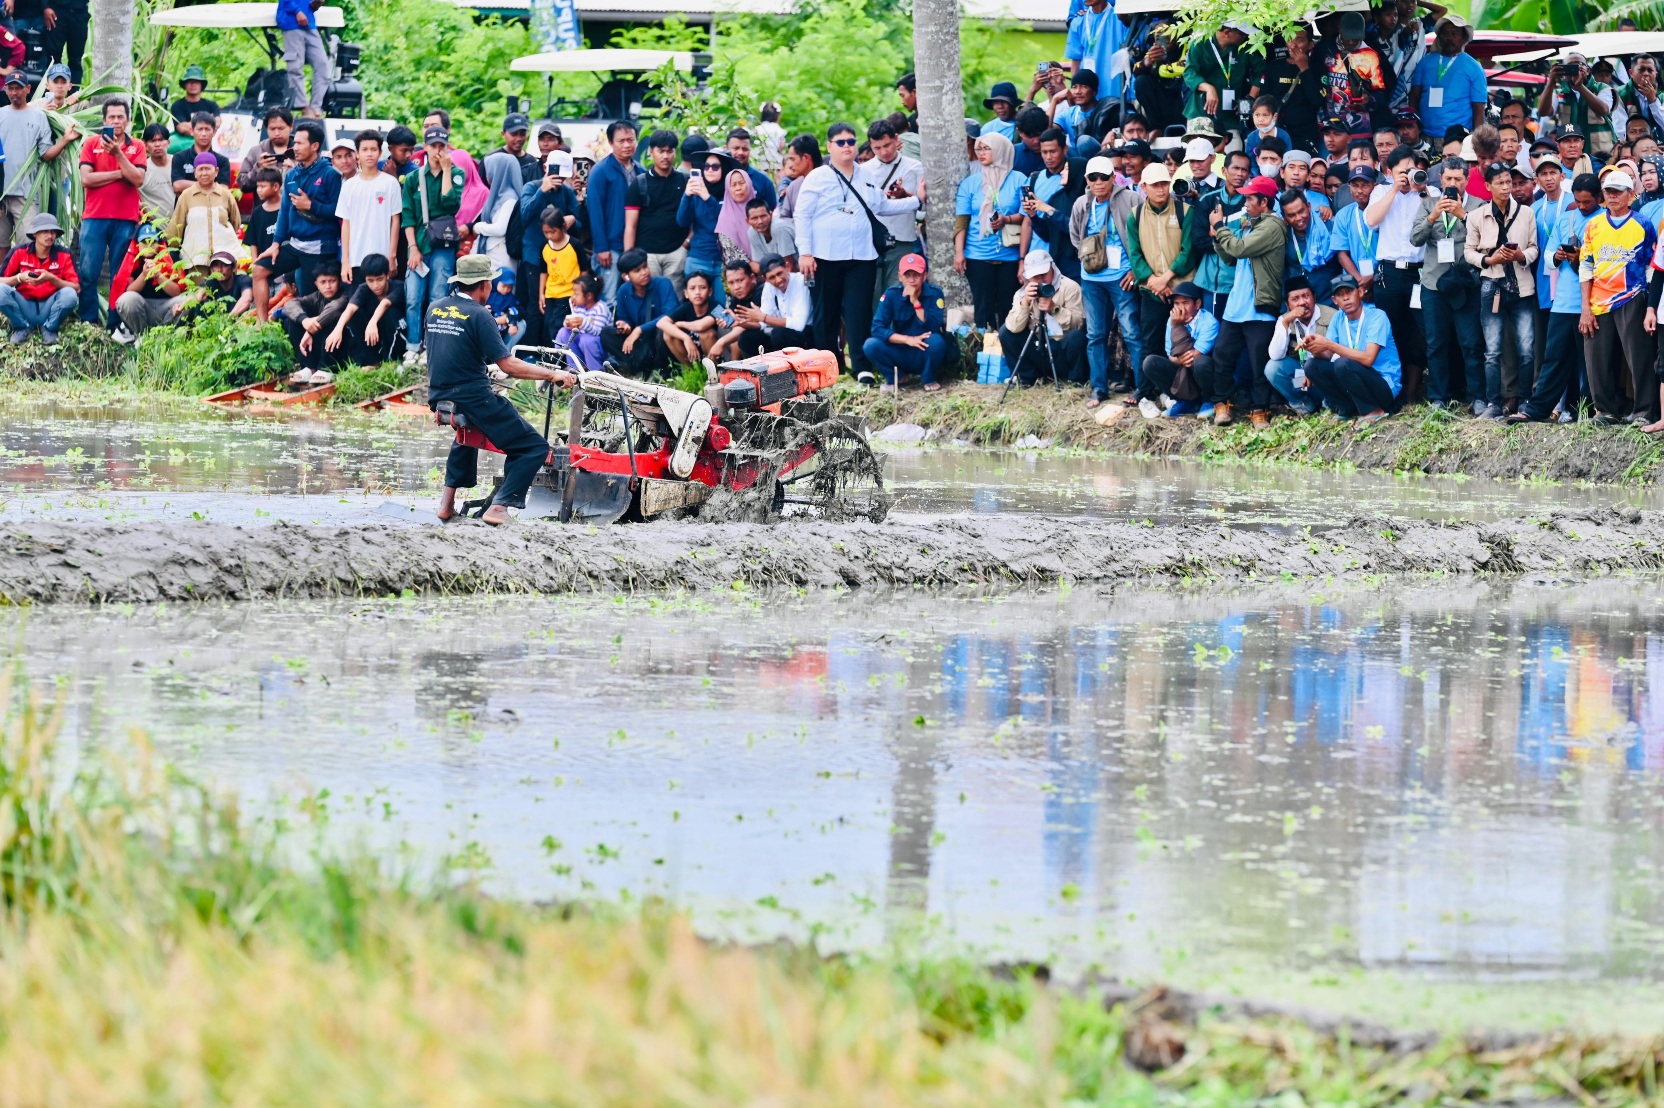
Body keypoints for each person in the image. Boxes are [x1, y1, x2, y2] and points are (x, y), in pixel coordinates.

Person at [429, 252, 574, 526]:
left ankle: (446, 505)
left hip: (439, 396)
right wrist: (553, 373)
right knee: (533, 447)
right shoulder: (480, 315)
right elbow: (509, 365)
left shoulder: (434, 308)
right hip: (473, 397)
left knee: (466, 435)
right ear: (484, 284)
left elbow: (452, 351)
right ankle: (499, 508)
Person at [795, 121, 919, 380]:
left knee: (858, 312)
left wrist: (917, 201)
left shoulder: (866, 175)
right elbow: (802, 215)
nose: (847, 146)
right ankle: (828, 368)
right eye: (840, 142)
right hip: (824, 256)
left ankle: (862, 367)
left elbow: (882, 206)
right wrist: (805, 252)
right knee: (826, 314)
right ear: (829, 146)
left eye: (851, 141)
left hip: (862, 256)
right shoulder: (818, 176)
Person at [1515, 173, 1601, 423]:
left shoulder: (1603, 221)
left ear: (1599, 198)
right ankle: (1537, 409)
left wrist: (1581, 258)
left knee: (1588, 364)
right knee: (1554, 358)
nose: (1582, 206)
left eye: (1587, 202)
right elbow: (1549, 254)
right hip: (1562, 301)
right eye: (1578, 201)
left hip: (1592, 303)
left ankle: (1584, 411)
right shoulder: (1566, 218)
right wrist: (1559, 257)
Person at [1207, 175, 1287, 427]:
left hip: (1259, 307)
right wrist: (1217, 235)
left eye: (1250, 198)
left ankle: (1259, 409)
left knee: (1259, 363)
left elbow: (1239, 249)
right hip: (1236, 306)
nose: (1245, 201)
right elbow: (1231, 257)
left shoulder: (1272, 226)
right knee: (1222, 355)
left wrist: (1220, 227)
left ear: (1264, 202)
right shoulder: (1250, 224)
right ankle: (1222, 404)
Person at [1579, 169, 1657, 424]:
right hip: (1598, 300)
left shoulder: (1643, 224)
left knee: (1639, 356)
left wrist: (1647, 301)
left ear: (1630, 195)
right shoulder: (1593, 225)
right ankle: (1604, 410)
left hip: (1632, 296)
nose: (1611, 196)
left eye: (1617, 191)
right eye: (1608, 191)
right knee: (1596, 357)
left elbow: (1650, 265)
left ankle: (1644, 411)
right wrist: (1585, 308)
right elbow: (1586, 266)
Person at [1465, 160, 1539, 419]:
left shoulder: (1527, 213)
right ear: (1488, 186)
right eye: (1501, 183)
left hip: (1521, 287)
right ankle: (1493, 403)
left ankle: (1526, 401)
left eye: (1509, 182)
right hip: (1492, 286)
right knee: (1493, 350)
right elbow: (1469, 253)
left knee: (1527, 349)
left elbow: (1533, 248)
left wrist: (1520, 255)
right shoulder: (1476, 216)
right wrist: (1489, 260)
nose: (1507, 187)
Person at [1410, 155, 1483, 408]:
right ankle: (1438, 397)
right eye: (1448, 178)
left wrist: (1463, 215)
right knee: (1436, 343)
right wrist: (1433, 216)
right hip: (1433, 283)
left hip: (1466, 282)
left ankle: (1476, 396)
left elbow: (1487, 239)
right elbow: (1415, 239)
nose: (1453, 183)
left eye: (1458, 179)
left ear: (1467, 179)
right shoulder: (1428, 204)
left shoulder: (1479, 205)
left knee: (1471, 342)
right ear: (1440, 179)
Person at [251, 119, 339, 321]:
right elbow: (284, 212)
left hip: (319, 247)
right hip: (295, 244)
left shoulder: (330, 174)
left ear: (315, 146)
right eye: (295, 142)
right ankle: (262, 327)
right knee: (259, 270)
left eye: (300, 143)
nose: (294, 147)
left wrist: (311, 206)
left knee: (309, 300)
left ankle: (311, 344)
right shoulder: (291, 174)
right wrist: (275, 244)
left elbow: (338, 212)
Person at [1071, 154, 1140, 406]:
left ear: (1113, 177)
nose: (1099, 182)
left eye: (1104, 177)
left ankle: (1142, 389)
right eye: (1093, 178)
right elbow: (1075, 237)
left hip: (1121, 276)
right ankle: (1098, 388)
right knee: (1095, 334)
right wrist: (1088, 259)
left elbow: (1141, 234)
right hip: (1091, 278)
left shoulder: (1131, 198)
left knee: (1132, 332)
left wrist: (1135, 269)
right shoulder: (1081, 204)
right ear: (1087, 179)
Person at [1126, 162, 1198, 396]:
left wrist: (1165, 279)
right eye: (1155, 185)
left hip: (1181, 290)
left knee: (1185, 342)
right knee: (1151, 341)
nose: (1161, 189)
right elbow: (1134, 254)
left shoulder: (1184, 211)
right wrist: (1153, 282)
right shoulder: (1135, 216)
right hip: (1151, 290)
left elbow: (1188, 251)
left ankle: (1181, 390)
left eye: (1164, 184)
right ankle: (1146, 391)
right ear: (1143, 186)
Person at [1361, 146, 1427, 398]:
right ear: (1389, 172)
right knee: (1390, 328)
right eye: (1402, 172)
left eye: (1412, 170)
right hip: (1389, 273)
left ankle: (1413, 389)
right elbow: (1371, 220)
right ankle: (1392, 388)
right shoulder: (1381, 191)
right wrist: (1394, 189)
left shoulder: (1427, 191)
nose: (1408, 176)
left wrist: (1419, 192)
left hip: (1419, 274)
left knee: (1417, 331)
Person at [75, 99, 144, 328]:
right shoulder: (91, 144)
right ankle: (88, 321)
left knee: (119, 274)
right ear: (104, 120)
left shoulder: (137, 146)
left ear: (127, 120)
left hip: (125, 219)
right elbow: (86, 179)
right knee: (88, 271)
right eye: (111, 117)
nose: (116, 121)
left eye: (120, 116)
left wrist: (118, 154)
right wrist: (118, 174)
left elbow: (137, 179)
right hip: (94, 217)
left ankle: (115, 324)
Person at [1298, 272, 1400, 424]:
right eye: (1340, 294)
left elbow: (1368, 359)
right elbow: (1327, 354)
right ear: (1335, 300)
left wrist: (1329, 344)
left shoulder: (1377, 316)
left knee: (1343, 363)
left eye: (1349, 292)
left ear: (1360, 292)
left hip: (1384, 386)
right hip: (1358, 383)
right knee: (1312, 366)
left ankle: (1373, 410)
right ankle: (1346, 408)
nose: (1346, 298)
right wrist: (1313, 346)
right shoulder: (1338, 318)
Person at [396, 124, 465, 350]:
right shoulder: (414, 178)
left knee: (438, 296)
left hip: (443, 243)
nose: (437, 150)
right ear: (424, 147)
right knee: (414, 296)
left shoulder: (456, 174)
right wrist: (412, 247)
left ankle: (434, 347)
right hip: (419, 243)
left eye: (441, 146)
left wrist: (446, 170)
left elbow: (450, 205)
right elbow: (407, 215)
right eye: (433, 145)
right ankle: (413, 346)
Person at [955, 132, 1024, 331]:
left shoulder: (1019, 179)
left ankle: (1007, 352)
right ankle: (985, 354)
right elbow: (962, 219)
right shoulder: (971, 183)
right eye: (979, 149)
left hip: (1010, 254)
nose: (981, 153)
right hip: (977, 253)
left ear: (1000, 150)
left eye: (987, 148)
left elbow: (1027, 215)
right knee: (982, 308)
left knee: (1008, 307)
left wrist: (1007, 219)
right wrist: (959, 253)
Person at [0, 70, 70, 246]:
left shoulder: (38, 116)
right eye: (11, 88)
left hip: (26, 194)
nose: (14, 92)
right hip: (1, 193)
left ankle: (24, 274)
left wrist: (65, 140)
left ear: (28, 89)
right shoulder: (1, 114)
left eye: (19, 88)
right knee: (1, 244)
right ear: (5, 89)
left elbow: (46, 154)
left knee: (27, 244)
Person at [998, 248, 1086, 388]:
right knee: (1005, 332)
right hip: (1037, 348)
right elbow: (1013, 328)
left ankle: (1076, 379)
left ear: (1052, 267)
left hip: (1060, 347)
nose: (1040, 279)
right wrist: (1025, 303)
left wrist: (1055, 309)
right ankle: (1027, 379)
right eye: (1035, 276)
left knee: (1076, 337)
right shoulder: (1022, 293)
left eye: (1043, 274)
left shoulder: (1070, 287)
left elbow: (1079, 325)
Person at [863, 252, 951, 391]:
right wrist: (907, 340)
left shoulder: (935, 293)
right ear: (900, 277)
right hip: (901, 350)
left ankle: (928, 378)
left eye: (916, 275)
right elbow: (877, 329)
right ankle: (897, 377)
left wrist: (916, 302)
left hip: (924, 350)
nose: (911, 280)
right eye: (907, 275)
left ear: (924, 276)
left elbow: (934, 327)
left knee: (937, 341)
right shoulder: (892, 295)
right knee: (871, 345)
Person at [859, 118, 924, 296]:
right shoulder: (863, 171)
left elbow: (924, 207)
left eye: (887, 145)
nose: (884, 152)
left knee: (900, 293)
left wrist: (906, 196)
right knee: (872, 293)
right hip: (871, 241)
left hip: (902, 238)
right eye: (877, 148)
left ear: (896, 139)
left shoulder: (915, 167)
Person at [624, 129, 689, 292]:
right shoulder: (639, 184)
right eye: (661, 151)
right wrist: (629, 261)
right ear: (651, 152)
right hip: (647, 255)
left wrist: (686, 244)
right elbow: (630, 226)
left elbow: (696, 217)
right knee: (650, 301)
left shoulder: (685, 180)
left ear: (675, 153)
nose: (665, 156)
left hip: (677, 251)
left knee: (675, 301)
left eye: (670, 151)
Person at [1138, 281, 1215, 417]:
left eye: (1185, 303)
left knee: (1201, 362)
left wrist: (1178, 327)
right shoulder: (1171, 320)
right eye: (1176, 303)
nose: (1180, 308)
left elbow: (1193, 357)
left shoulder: (1209, 322)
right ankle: (1185, 401)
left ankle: (1207, 401)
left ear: (1197, 304)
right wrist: (1177, 359)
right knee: (1150, 362)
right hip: (1182, 370)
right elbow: (1170, 355)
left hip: (1201, 373)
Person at [0, 212, 76, 344]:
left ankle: (49, 328)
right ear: (34, 234)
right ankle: (21, 327)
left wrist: (51, 278)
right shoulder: (19, 252)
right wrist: (19, 278)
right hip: (24, 305)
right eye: (45, 231)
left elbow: (76, 287)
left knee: (70, 294)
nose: (50, 235)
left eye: (53, 232)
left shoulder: (64, 254)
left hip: (50, 306)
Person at [337, 129, 401, 284]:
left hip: (383, 257)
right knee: (358, 305)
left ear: (380, 153)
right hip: (356, 259)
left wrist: (392, 256)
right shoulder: (349, 186)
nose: (369, 154)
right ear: (357, 154)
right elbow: (346, 224)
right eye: (364, 150)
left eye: (373, 149)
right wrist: (345, 261)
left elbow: (396, 221)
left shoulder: (390, 183)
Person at [1021, 128, 1085, 281]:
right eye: (1044, 152)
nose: (1048, 157)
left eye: (1053, 151)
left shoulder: (1085, 199)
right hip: (1053, 261)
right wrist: (1034, 216)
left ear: (1064, 150)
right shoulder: (1054, 196)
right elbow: (1048, 233)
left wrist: (1048, 210)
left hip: (1078, 263)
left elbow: (1076, 230)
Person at [1410, 15, 1487, 140]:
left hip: (1457, 138)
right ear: (1439, 36)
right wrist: (1413, 128)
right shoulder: (1425, 62)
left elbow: (1479, 108)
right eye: (1445, 33)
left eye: (1454, 33)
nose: (1449, 38)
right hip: (1424, 136)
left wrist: (1476, 141)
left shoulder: (1474, 67)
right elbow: (1414, 97)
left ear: (1464, 38)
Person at [1316, 12, 1389, 142]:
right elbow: (1314, 83)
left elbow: (1381, 92)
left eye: (1355, 39)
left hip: (1358, 128)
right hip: (1329, 126)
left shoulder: (1371, 54)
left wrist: (1368, 101)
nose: (1350, 42)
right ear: (1339, 30)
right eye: (1347, 37)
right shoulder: (1324, 49)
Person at [604, 248, 677, 376]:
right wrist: (625, 326)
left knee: (663, 330)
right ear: (626, 276)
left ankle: (661, 371)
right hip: (639, 342)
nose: (644, 272)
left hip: (658, 340)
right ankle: (635, 367)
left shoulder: (663, 283)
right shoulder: (623, 290)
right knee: (606, 333)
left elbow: (671, 314)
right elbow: (624, 318)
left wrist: (639, 329)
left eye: (645, 267)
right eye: (637, 270)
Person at [322, 251, 403, 364]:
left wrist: (372, 322)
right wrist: (337, 330)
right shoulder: (363, 289)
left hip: (399, 332)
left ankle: (392, 360)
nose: (375, 285)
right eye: (370, 280)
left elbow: (385, 303)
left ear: (387, 275)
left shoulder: (398, 286)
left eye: (380, 279)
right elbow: (350, 308)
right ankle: (373, 362)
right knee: (354, 315)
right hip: (376, 332)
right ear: (365, 279)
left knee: (390, 311)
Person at [587, 120, 638, 301]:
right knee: (610, 298)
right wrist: (601, 247)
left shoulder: (640, 170)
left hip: (635, 245)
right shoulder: (601, 171)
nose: (627, 145)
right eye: (621, 141)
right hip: (610, 246)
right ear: (610, 143)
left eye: (631, 140)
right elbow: (595, 211)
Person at [167, 151, 241, 270]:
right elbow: (176, 229)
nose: (204, 173)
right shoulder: (186, 196)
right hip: (196, 260)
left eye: (208, 169)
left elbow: (235, 223)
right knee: (198, 288)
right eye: (200, 169)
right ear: (195, 172)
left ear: (216, 171)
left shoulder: (226, 195)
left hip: (224, 260)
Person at [1183, 22, 1260, 132]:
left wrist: (1251, 97)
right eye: (1242, 34)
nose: (1246, 37)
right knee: (1200, 145)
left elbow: (1262, 72)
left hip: (1230, 116)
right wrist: (1209, 88)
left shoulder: (1244, 48)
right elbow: (1189, 73)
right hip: (1200, 112)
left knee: (1234, 145)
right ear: (1227, 32)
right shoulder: (1200, 44)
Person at [110, 227, 183, 342]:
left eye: (152, 241)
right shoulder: (131, 258)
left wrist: (159, 275)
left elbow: (178, 292)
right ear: (138, 244)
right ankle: (142, 337)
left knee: (187, 301)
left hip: (166, 307)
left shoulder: (169, 256)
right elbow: (128, 291)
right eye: (144, 242)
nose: (148, 246)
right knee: (126, 299)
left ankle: (163, 335)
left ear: (158, 243)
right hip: (142, 308)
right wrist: (144, 275)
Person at [1263, 274, 1321, 414]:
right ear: (1287, 305)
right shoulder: (1285, 319)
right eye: (1295, 299)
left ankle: (1331, 404)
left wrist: (1314, 371)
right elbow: (1275, 355)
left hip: (1324, 377)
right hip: (1303, 381)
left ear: (1314, 297)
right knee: (1273, 368)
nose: (1302, 302)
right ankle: (1303, 404)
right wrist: (1285, 322)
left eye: (1306, 296)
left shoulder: (1331, 315)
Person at [280, 268, 349, 384]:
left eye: (332, 281)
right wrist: (304, 320)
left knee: (333, 318)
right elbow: (290, 304)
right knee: (293, 320)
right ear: (316, 284)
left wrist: (310, 330)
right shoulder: (315, 297)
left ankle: (327, 368)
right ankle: (309, 367)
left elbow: (334, 308)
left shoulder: (345, 295)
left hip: (341, 346)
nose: (328, 286)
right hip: (318, 344)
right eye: (323, 282)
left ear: (340, 281)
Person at [469, 151, 523, 275]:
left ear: (498, 172)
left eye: (490, 170)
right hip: (494, 254)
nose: (487, 175)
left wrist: (478, 227)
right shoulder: (498, 196)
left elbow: (500, 229)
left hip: (500, 258)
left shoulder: (509, 199)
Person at [277, 0, 330, 120]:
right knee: (295, 66)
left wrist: (315, 4)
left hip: (309, 23)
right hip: (291, 23)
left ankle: (316, 107)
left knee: (322, 64)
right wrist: (297, 11)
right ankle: (303, 107)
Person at [537, 206, 580, 341]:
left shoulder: (574, 245)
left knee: (557, 325)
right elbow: (543, 271)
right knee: (547, 324)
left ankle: (559, 359)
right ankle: (551, 358)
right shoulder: (544, 246)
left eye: (553, 232)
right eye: (546, 232)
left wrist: (578, 293)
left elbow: (584, 270)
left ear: (563, 226)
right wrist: (541, 294)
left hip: (568, 293)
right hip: (551, 293)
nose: (549, 236)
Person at [661, 269, 722, 363]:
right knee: (668, 334)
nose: (697, 292)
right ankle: (691, 371)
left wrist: (680, 324)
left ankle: (715, 372)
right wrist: (686, 338)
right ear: (686, 294)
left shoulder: (717, 307)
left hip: (715, 354)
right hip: (694, 353)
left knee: (706, 333)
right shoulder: (686, 307)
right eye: (692, 288)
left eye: (702, 287)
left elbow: (701, 326)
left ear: (710, 292)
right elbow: (661, 323)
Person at [554, 272, 610, 373]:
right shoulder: (579, 307)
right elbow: (572, 326)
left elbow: (598, 332)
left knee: (586, 339)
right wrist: (568, 323)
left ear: (589, 296)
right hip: (584, 347)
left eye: (576, 294)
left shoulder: (600, 308)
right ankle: (575, 367)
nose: (573, 296)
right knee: (564, 332)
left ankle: (596, 371)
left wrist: (583, 323)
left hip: (601, 349)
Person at [724, 127, 778, 210]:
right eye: (736, 148)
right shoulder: (718, 177)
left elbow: (773, 212)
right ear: (726, 149)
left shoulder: (763, 181)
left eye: (745, 149)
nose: (740, 152)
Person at [239, 107, 295, 183]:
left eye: (281, 128)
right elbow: (242, 184)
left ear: (291, 127)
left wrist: (296, 171)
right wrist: (258, 168)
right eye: (272, 129)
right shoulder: (256, 151)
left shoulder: (302, 150)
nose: (277, 133)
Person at [170, 64, 219, 138]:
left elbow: (217, 122)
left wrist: (193, 125)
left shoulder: (211, 105)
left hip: (207, 141)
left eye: (196, 82)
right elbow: (181, 128)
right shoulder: (177, 105)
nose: (193, 84)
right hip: (183, 143)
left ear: (201, 85)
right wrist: (207, 126)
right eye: (190, 81)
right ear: (185, 84)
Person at [139, 123, 174, 221]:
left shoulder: (179, 163)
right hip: (156, 231)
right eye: (153, 141)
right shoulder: (141, 169)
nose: (157, 144)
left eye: (161, 140)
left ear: (168, 142)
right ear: (145, 145)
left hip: (184, 227)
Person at [746, 199, 795, 266]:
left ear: (771, 215)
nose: (760, 221)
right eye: (754, 218)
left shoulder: (779, 228)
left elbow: (789, 264)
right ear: (747, 221)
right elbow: (758, 263)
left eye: (763, 216)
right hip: (776, 270)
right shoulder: (752, 232)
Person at [487, 267, 524, 349]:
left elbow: (515, 310)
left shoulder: (510, 298)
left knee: (521, 324)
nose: (506, 290)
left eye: (509, 287)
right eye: (503, 286)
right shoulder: (487, 294)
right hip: (487, 328)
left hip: (502, 330)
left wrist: (513, 324)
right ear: (496, 281)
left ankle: (505, 352)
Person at [753, 102, 786, 178]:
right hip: (775, 163)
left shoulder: (757, 129)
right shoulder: (778, 130)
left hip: (759, 163)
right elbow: (781, 147)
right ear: (777, 116)